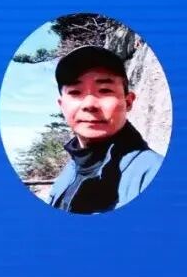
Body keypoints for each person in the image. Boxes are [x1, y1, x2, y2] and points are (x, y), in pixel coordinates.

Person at [46, 45, 164, 213]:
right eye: (75, 92)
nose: (89, 104)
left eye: (104, 90)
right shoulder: (69, 171)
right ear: (62, 106)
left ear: (128, 102)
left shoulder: (153, 174)